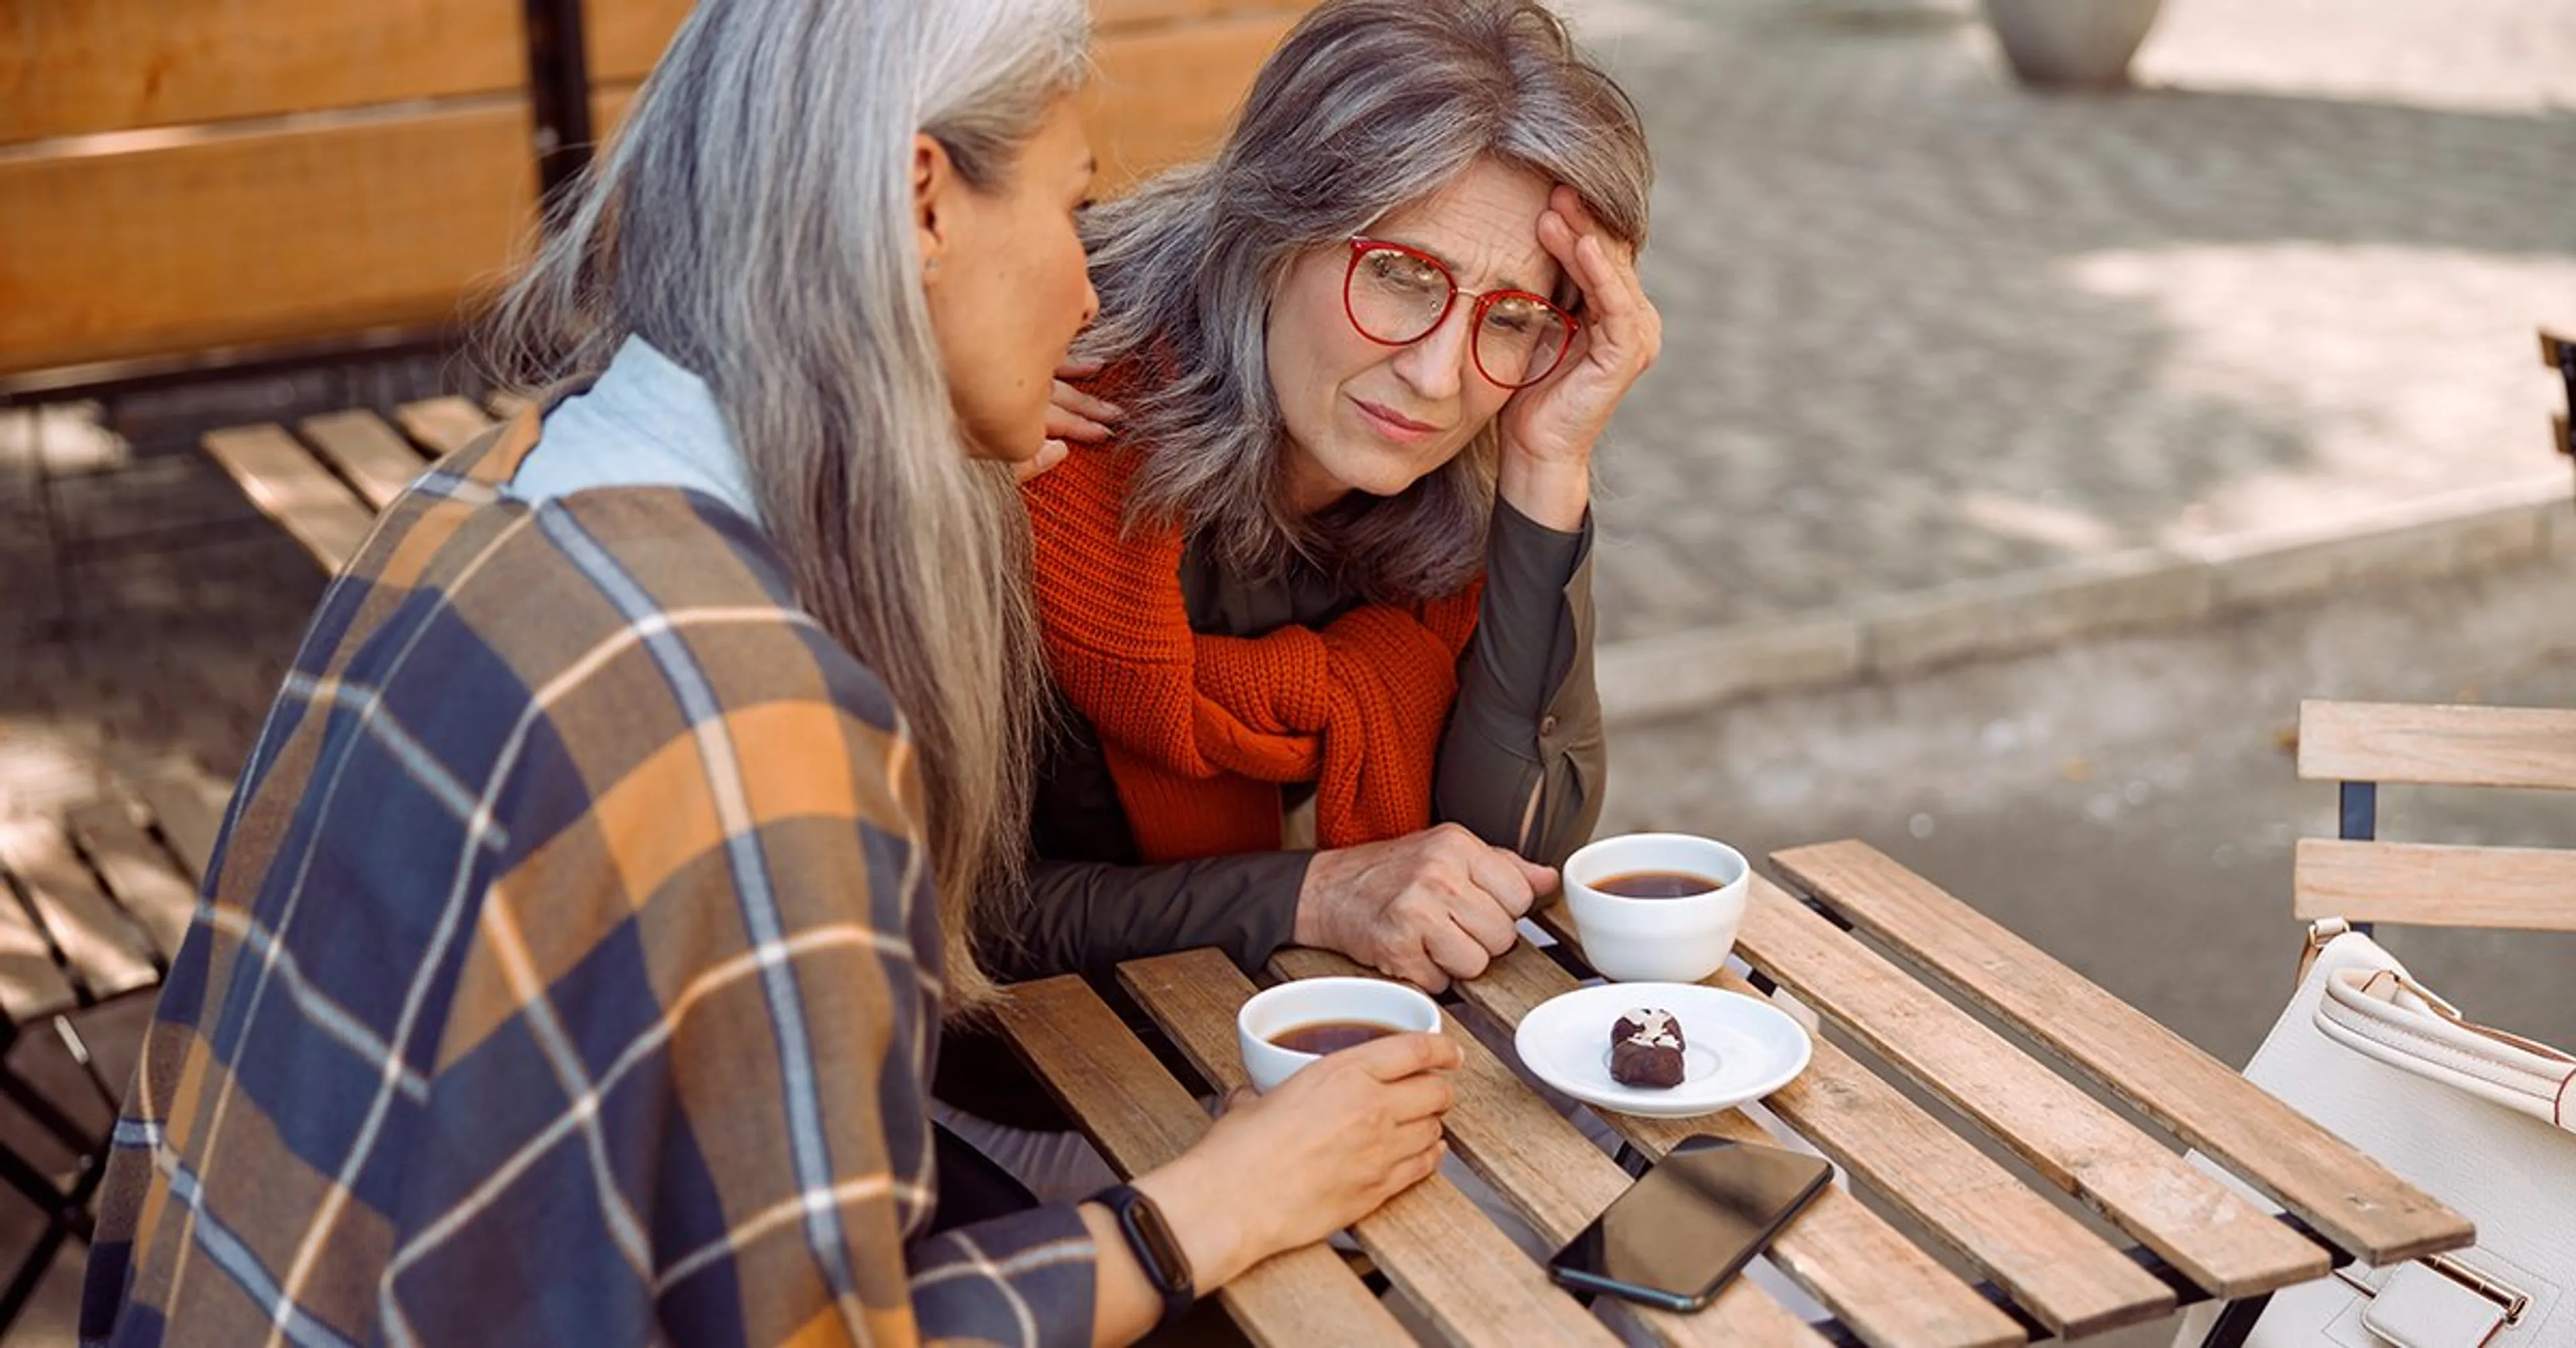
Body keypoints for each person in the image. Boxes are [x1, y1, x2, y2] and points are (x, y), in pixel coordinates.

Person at [76, 2, 1456, 1343]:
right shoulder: (757, 719)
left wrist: (923, 457)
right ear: (923, 203)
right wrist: (1210, 1206)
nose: (1090, 285)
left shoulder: (481, 499)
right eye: (1068, 204)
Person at [996, 0, 1659, 995]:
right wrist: (1312, 895)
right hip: (1022, 1096)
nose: (1440, 376)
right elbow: (951, 912)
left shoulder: (1491, 444)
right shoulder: (1039, 432)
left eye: (1514, 316)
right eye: (1400, 274)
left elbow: (1506, 859)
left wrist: (1548, 466)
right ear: (1269, 230)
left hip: (1276, 1051)